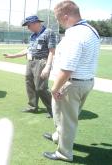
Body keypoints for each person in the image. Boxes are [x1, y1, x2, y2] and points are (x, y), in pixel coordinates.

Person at [43, 1, 100, 162]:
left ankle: (64, 153)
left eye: (58, 18)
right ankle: (57, 137)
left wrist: (55, 89)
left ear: (66, 16)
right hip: (86, 81)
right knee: (68, 117)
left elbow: (67, 68)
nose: (58, 21)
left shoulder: (74, 34)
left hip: (71, 84)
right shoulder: (91, 30)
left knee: (65, 120)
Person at [4, 15, 56, 118]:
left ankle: (54, 110)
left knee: (41, 88)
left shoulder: (49, 32)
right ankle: (33, 106)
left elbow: (52, 51)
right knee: (30, 85)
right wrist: (13, 56)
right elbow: (28, 50)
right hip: (30, 61)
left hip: (42, 62)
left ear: (36, 23)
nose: (28, 28)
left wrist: (48, 66)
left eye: (29, 25)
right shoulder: (33, 35)